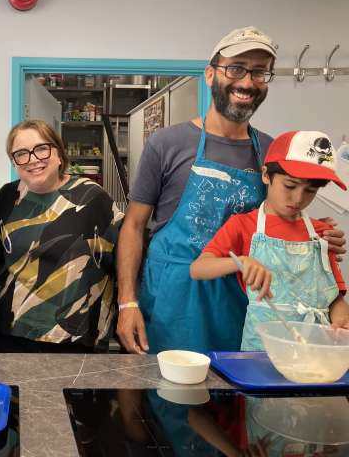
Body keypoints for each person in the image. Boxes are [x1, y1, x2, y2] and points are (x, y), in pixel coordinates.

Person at [115, 26, 346, 355]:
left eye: (259, 72)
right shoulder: (166, 143)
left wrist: (314, 235)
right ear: (210, 75)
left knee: (239, 396)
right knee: (174, 398)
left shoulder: (271, 150)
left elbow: (278, 217)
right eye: (236, 68)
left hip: (243, 299)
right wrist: (128, 303)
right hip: (176, 300)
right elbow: (134, 226)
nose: (248, 82)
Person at [190, 130, 349, 350]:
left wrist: (342, 320)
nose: (298, 199)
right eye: (290, 186)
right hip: (261, 351)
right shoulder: (243, 225)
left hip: (316, 349)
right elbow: (198, 268)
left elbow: (333, 298)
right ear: (266, 175)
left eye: (310, 191)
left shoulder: (322, 233)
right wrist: (241, 262)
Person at [0, 119, 123, 353]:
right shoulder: (8, 196)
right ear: (14, 162)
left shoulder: (90, 197)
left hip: (74, 336)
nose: (32, 159)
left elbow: (125, 256)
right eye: (21, 153)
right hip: (12, 333)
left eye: (41, 148)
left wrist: (130, 306)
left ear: (59, 154)